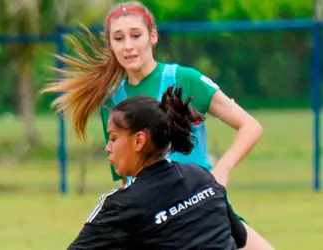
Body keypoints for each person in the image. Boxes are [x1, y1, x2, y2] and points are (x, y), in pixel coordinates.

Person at [42, 1, 273, 249]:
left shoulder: (184, 79)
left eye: (136, 35)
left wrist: (222, 171)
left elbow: (250, 126)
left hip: (198, 205)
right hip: (155, 221)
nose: (128, 45)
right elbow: (125, 178)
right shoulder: (113, 103)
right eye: (118, 38)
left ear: (153, 36)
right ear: (110, 45)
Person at [67, 86, 247, 250]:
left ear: (139, 141)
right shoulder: (201, 176)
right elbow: (240, 237)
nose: (108, 147)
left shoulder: (121, 205)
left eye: (113, 138)